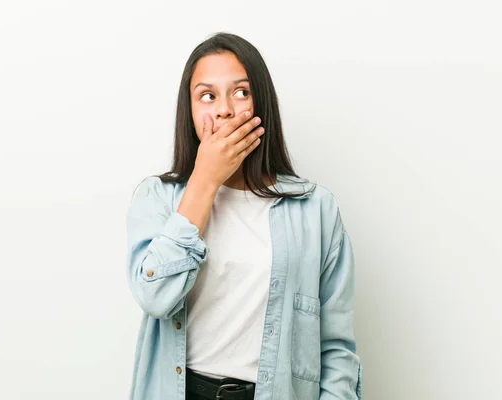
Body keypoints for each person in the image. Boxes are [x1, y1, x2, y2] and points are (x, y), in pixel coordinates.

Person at [125, 32, 362, 400]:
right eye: (207, 95)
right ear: (189, 111)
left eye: (240, 92)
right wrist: (204, 179)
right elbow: (155, 297)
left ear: (261, 102)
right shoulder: (157, 198)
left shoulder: (316, 210)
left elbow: (336, 350)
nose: (223, 110)